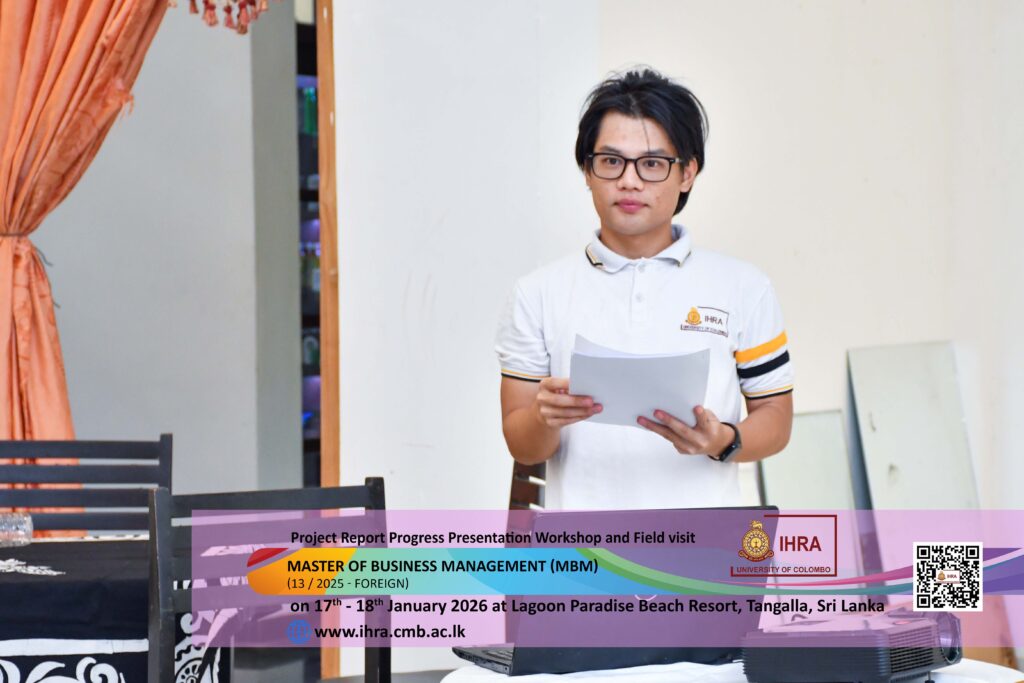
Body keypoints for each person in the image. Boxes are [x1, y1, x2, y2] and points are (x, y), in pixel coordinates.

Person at [495, 68, 793, 509]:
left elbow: (776, 419)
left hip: (703, 546)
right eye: (611, 161)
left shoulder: (744, 287)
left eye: (652, 164)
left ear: (687, 173)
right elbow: (522, 446)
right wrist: (544, 418)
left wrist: (722, 440)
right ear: (587, 170)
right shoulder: (537, 294)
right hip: (581, 548)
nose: (629, 181)